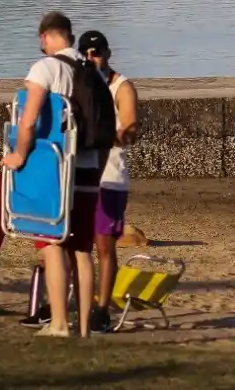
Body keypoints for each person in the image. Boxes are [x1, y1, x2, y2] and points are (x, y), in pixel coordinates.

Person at [4, 11, 105, 338]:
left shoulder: (44, 67)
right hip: (88, 168)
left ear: (46, 37)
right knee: (81, 249)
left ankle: (60, 323)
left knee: (51, 243)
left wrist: (19, 155)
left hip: (55, 170)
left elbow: (28, 119)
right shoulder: (94, 73)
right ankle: (86, 327)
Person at [77, 30, 140, 334]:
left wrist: (105, 138)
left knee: (104, 246)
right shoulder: (81, 85)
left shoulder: (121, 87)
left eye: (96, 53)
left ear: (107, 53)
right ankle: (77, 304)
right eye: (86, 55)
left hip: (111, 177)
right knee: (76, 244)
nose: (91, 59)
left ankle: (102, 310)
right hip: (81, 173)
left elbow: (130, 127)